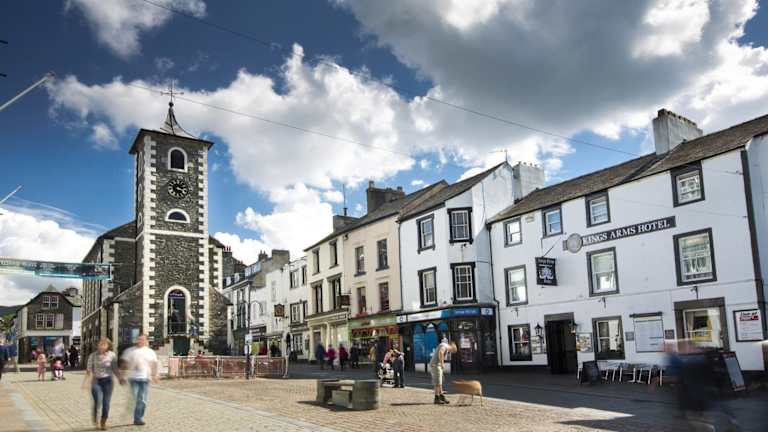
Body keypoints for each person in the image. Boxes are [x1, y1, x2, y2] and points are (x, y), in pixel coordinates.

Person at [84, 338, 123, 430]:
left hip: (108, 382)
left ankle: (103, 422)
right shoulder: (92, 356)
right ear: (97, 345)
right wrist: (86, 382)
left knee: (106, 403)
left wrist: (120, 378)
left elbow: (115, 369)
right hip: (96, 381)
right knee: (98, 401)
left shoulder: (112, 355)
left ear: (108, 346)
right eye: (100, 344)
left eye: (104, 344)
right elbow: (89, 370)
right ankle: (95, 418)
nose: (102, 346)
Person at [122, 335, 159, 426]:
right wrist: (123, 374)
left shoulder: (150, 352)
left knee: (142, 400)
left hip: (145, 378)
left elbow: (154, 364)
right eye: (139, 339)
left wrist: (155, 375)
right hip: (133, 378)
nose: (141, 341)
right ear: (136, 340)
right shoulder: (130, 351)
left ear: (146, 341)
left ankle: (138, 418)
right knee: (135, 398)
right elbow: (124, 363)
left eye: (143, 339)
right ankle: (136, 416)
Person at [430, 339, 457, 405]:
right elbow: (441, 353)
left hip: (436, 365)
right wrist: (442, 363)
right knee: (437, 382)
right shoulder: (445, 346)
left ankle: (441, 396)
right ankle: (436, 398)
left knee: (440, 382)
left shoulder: (444, 346)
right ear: (452, 348)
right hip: (436, 365)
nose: (450, 352)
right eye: (452, 351)